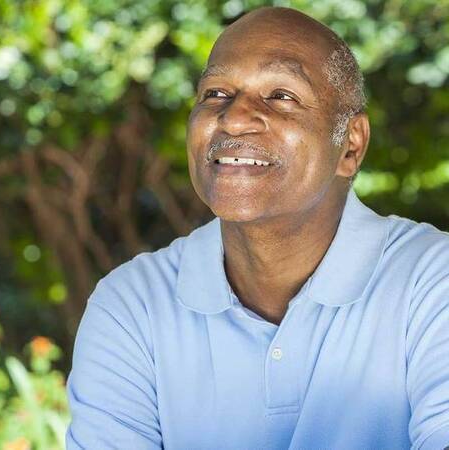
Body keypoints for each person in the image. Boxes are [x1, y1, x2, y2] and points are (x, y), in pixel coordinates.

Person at [65, 6, 449, 450]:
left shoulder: (432, 283)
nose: (234, 118)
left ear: (351, 145)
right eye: (215, 93)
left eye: (282, 95)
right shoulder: (133, 305)